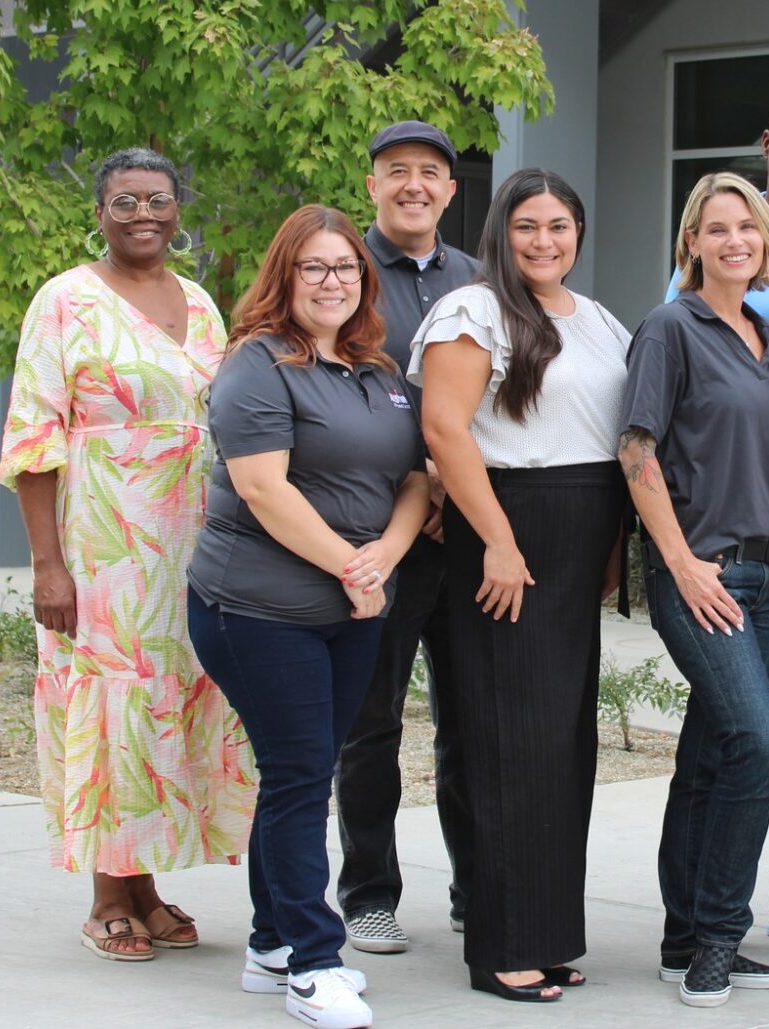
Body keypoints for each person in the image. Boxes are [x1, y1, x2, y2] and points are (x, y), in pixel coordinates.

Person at [0, 147, 254, 963]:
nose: (143, 213)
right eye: (124, 201)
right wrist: (48, 565)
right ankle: (108, 895)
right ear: (100, 212)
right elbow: (33, 439)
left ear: (180, 208)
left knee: (167, 700)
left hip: (190, 539)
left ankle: (143, 885)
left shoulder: (203, 302)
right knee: (109, 703)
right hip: (105, 542)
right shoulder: (64, 300)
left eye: (158, 199)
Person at [186, 204, 431, 1029]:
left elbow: (414, 481)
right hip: (257, 607)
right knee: (298, 774)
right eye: (315, 268)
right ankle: (314, 962)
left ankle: (271, 943)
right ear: (285, 276)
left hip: (353, 602)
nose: (333, 282)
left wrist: (383, 559)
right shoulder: (256, 363)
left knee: (303, 771)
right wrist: (350, 565)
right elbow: (263, 487)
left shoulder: (380, 370)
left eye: (347, 268)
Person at [414, 167, 632, 1004]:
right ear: (500, 231)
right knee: (508, 738)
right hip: (509, 526)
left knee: (563, 746)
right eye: (527, 225)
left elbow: (606, 441)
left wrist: (608, 543)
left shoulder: (599, 319)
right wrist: (498, 541)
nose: (545, 241)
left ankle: (549, 932)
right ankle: (501, 942)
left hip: (578, 534)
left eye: (560, 226)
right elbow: (444, 426)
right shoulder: (472, 311)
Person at [619, 172, 769, 1007]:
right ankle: (718, 939)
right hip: (706, 574)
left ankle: (681, 935)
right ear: (691, 242)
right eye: (717, 227)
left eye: (750, 228)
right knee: (760, 746)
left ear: (768, 243)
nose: (735, 240)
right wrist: (679, 561)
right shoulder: (670, 328)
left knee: (709, 757)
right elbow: (637, 451)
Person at [334, 121, 479, 955]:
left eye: (430, 173)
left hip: (460, 537)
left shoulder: (478, 278)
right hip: (376, 537)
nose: (414, 185)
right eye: (398, 172)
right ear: (374, 184)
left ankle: (473, 885)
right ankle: (368, 893)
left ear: (451, 192)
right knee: (371, 724)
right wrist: (416, 481)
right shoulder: (342, 272)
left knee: (472, 721)